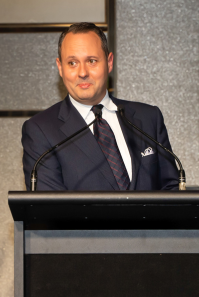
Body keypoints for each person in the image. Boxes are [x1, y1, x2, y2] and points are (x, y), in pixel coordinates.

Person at [22, 22, 179, 191]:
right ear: (60, 67)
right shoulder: (41, 130)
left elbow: (171, 189)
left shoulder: (148, 118)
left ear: (109, 62)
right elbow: (50, 209)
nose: (82, 73)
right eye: (72, 63)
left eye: (91, 61)